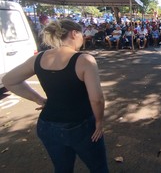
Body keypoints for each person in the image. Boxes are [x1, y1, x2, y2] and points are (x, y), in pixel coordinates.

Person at [2, 19, 109, 172]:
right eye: (82, 34)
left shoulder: (38, 58)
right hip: (81, 126)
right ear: (74, 33)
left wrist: (39, 100)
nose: (83, 37)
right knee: (98, 168)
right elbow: (96, 99)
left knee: (62, 168)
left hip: (47, 125)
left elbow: (8, 80)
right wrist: (99, 121)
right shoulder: (84, 60)